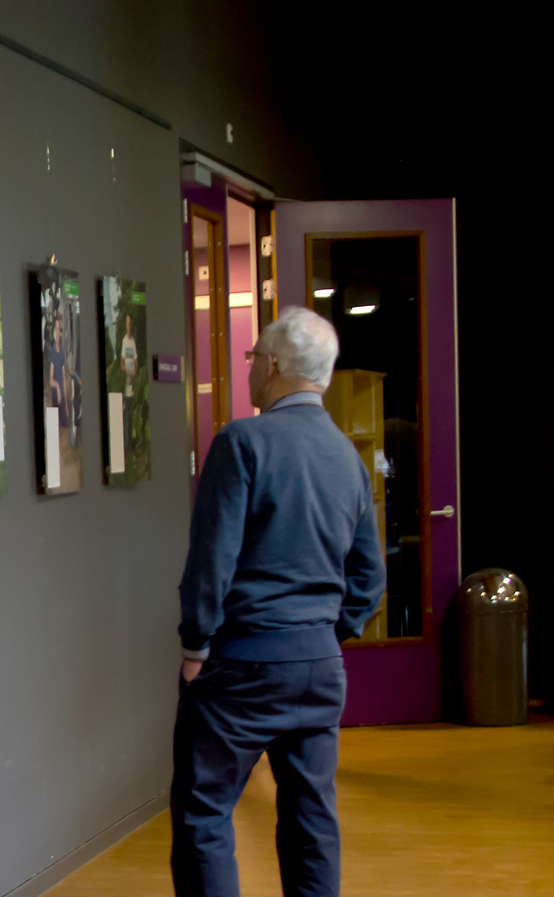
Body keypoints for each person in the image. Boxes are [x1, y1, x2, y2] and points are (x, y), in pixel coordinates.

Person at [170, 306, 385, 897]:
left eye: (251, 358)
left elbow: (212, 559)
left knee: (204, 815)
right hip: (318, 666)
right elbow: (369, 574)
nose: (250, 369)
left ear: (271, 365)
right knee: (312, 820)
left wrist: (196, 643)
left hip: (241, 664)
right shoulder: (349, 458)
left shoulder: (242, 442)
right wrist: (327, 632)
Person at [120, 312, 139, 399]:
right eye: (127, 324)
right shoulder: (124, 341)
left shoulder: (133, 341)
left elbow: (136, 360)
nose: (129, 326)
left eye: (130, 324)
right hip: (127, 376)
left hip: (132, 376)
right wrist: (126, 370)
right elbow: (122, 364)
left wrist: (135, 371)